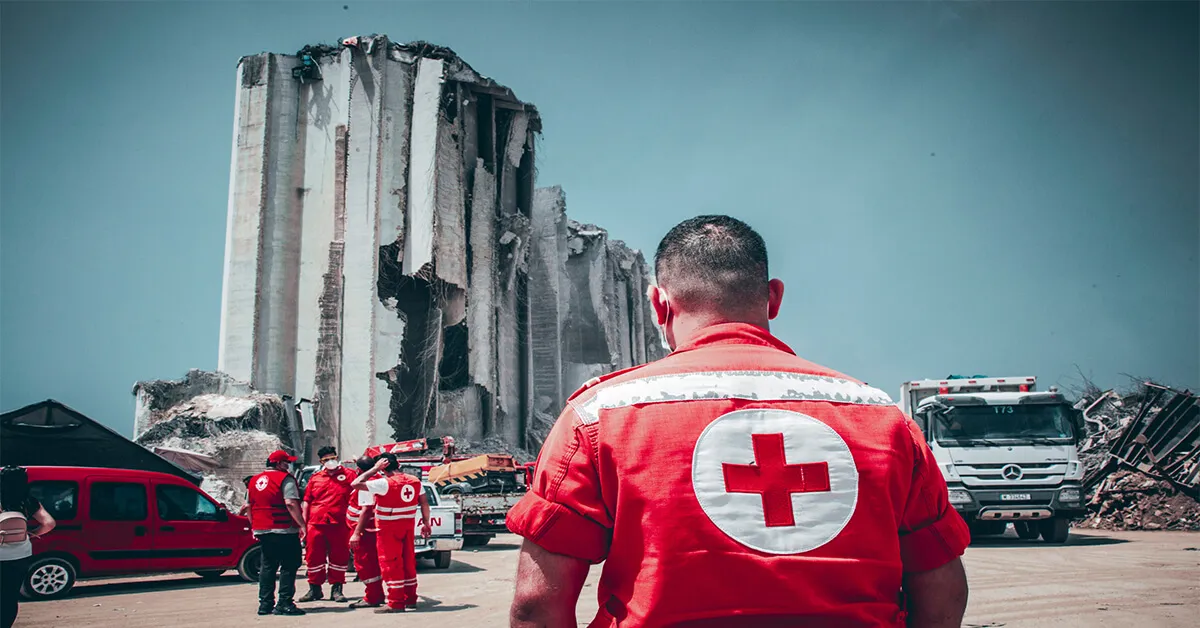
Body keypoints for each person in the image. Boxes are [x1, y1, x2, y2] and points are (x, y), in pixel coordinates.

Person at [506, 215, 971, 627]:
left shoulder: (599, 415)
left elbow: (536, 606)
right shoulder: (883, 418)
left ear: (659, 305)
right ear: (774, 298)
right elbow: (942, 595)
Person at [349, 453, 432, 613]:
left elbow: (356, 483)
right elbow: (424, 502)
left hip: (388, 530)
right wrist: (426, 523)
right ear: (398, 464)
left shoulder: (384, 483)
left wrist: (374, 469)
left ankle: (396, 602)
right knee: (408, 563)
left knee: (391, 565)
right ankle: (410, 599)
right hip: (407, 527)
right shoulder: (415, 481)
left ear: (383, 467)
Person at [247, 450, 307, 616]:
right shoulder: (285, 479)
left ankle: (265, 604)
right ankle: (284, 603)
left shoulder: (254, 480)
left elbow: (249, 506)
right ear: (279, 464)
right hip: (284, 528)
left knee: (268, 566)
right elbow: (290, 503)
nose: (288, 465)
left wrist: (254, 526)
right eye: (286, 462)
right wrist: (302, 525)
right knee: (290, 564)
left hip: (262, 529)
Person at [298, 445, 356, 603]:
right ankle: (314, 589)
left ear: (337, 458)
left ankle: (337, 589)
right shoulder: (315, 478)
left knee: (339, 556)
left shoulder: (349, 475)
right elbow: (307, 501)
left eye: (333, 458)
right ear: (321, 462)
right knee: (313, 557)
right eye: (326, 459)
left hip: (340, 524)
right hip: (316, 523)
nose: (330, 461)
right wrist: (303, 524)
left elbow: (357, 495)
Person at [1, 466, 56, 628]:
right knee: (9, 597)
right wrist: (32, 534)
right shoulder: (28, 500)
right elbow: (49, 523)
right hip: (20, 554)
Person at [346, 456, 384, 609]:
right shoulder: (378, 479)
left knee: (365, 564)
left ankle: (372, 596)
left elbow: (366, 509)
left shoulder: (366, 484)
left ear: (359, 469)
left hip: (364, 531)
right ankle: (377, 594)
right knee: (372, 563)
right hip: (369, 529)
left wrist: (356, 533)